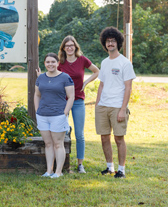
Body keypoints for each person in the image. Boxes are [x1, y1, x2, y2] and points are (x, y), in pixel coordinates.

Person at [95, 27, 136, 179]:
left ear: (118, 43)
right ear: (104, 43)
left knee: (119, 138)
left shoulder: (125, 63)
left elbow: (128, 87)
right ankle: (109, 167)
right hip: (103, 106)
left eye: (113, 41)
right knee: (104, 137)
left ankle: (121, 170)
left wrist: (122, 109)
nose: (110, 44)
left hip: (117, 106)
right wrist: (98, 104)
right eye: (108, 41)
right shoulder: (105, 62)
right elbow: (102, 84)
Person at [57, 35, 99, 173]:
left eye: (72, 45)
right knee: (62, 132)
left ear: (75, 47)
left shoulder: (82, 60)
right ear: (63, 48)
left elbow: (96, 71)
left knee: (80, 134)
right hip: (63, 101)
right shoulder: (60, 62)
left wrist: (86, 82)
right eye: (67, 45)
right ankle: (62, 162)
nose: (69, 47)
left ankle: (80, 164)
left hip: (78, 100)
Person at [35, 53, 75, 178]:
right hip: (43, 115)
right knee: (48, 144)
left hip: (58, 115)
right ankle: (49, 171)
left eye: (53, 62)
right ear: (45, 64)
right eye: (48, 62)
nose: (50, 64)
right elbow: (37, 95)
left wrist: (65, 113)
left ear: (58, 63)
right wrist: (37, 111)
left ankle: (58, 172)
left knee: (58, 143)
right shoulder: (40, 78)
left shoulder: (65, 77)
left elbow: (71, 96)